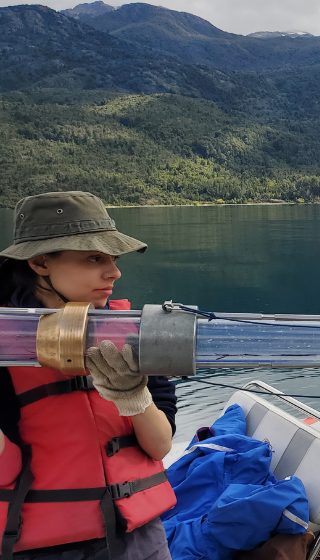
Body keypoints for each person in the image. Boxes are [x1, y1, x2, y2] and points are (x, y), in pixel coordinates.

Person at [0, 191, 177, 559]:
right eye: (94, 259)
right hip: (39, 545)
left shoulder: (134, 332)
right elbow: (5, 470)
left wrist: (134, 398)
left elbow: (160, 447)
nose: (114, 272)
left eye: (112, 259)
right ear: (39, 262)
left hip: (140, 538)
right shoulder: (4, 342)